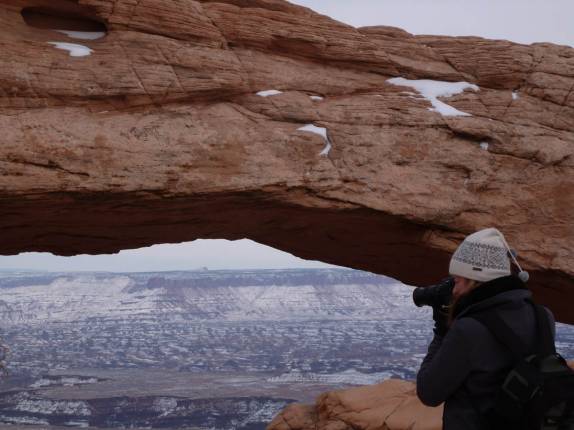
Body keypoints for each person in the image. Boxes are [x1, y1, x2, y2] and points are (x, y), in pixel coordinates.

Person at [416, 227, 555, 430]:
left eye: (457, 280)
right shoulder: (544, 316)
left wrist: (442, 330)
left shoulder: (469, 330)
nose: (454, 289)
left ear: (473, 280)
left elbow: (428, 392)